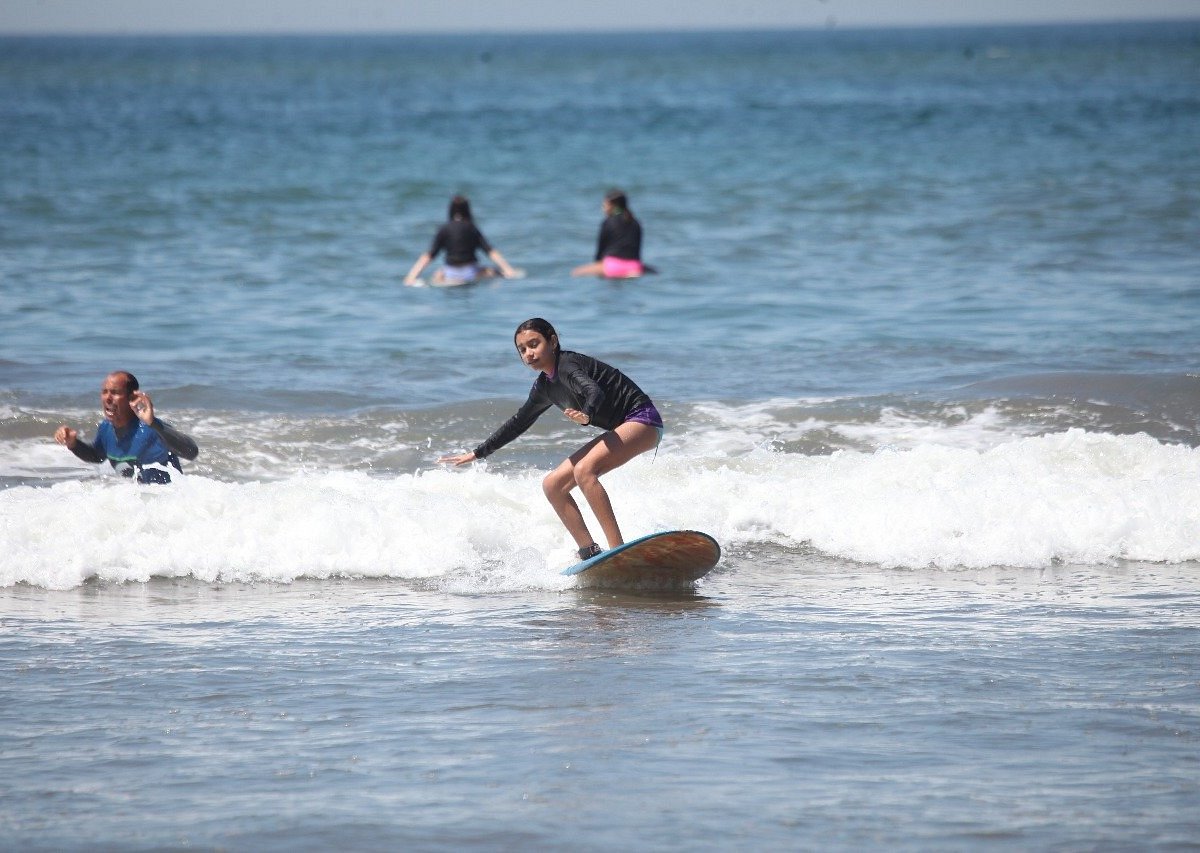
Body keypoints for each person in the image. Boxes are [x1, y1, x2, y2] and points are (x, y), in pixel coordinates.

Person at [439, 318, 663, 561]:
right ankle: (589, 551)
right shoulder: (544, 387)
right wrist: (478, 452)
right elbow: (519, 421)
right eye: (522, 349)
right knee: (553, 485)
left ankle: (618, 550)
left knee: (584, 471)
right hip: (622, 428)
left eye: (534, 344)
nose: (528, 353)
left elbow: (593, 391)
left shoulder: (568, 365)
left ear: (553, 341)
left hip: (643, 419)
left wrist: (587, 415)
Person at [54, 371, 199, 484]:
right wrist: (73, 444)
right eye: (104, 392)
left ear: (132, 397)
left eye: (115, 392)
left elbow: (191, 452)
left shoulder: (150, 430)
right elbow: (97, 456)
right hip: (139, 506)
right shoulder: (106, 428)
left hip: (168, 505)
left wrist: (153, 423)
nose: (108, 398)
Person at [404, 195, 519, 286]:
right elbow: (490, 252)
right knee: (494, 272)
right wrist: (509, 270)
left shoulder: (444, 229)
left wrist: (411, 277)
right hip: (471, 272)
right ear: (468, 210)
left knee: (437, 274)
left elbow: (429, 255)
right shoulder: (471, 227)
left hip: (450, 273)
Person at [571, 188, 645, 279]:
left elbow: (600, 250)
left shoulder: (608, 222)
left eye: (604, 205)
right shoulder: (636, 222)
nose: (603, 208)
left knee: (575, 272)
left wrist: (597, 266)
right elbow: (637, 251)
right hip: (634, 267)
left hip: (612, 267)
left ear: (613, 206)